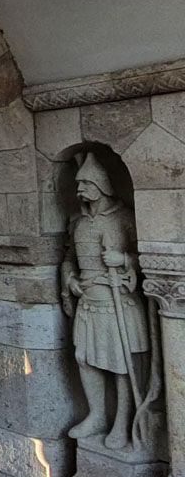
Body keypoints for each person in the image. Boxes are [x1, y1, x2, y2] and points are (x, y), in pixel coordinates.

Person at [60, 151, 159, 451]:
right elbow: (68, 258)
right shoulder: (78, 223)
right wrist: (70, 280)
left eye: (86, 185)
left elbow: (152, 257)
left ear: (101, 186)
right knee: (84, 359)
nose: (80, 191)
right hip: (89, 302)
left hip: (120, 303)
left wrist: (124, 259)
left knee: (120, 365)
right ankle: (98, 415)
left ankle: (123, 420)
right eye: (78, 185)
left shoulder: (124, 217)